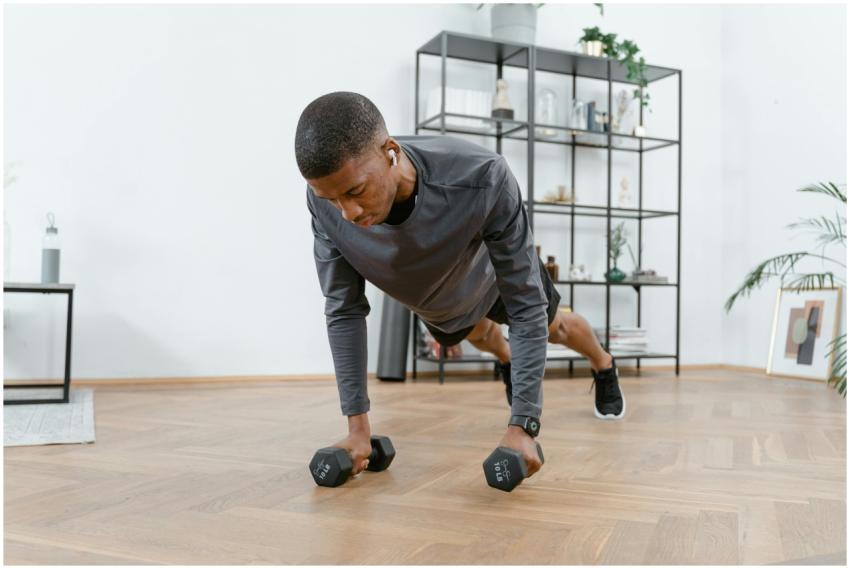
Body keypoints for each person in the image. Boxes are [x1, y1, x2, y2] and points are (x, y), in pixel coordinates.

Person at [295, 91, 624, 480]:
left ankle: (603, 364)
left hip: (493, 274)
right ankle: (509, 361)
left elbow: (525, 304)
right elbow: (343, 308)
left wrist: (524, 425)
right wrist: (357, 430)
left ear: (390, 153)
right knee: (481, 336)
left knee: (558, 327)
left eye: (354, 192)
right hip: (441, 297)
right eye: (331, 199)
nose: (347, 213)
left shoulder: (481, 176)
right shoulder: (324, 203)